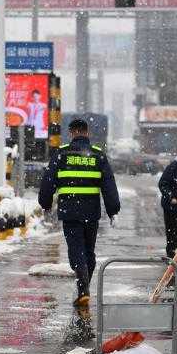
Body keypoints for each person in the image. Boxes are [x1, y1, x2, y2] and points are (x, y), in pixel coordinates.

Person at [38, 118, 120, 308]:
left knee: (76, 250)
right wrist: (113, 209)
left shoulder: (62, 154)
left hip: (70, 212)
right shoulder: (98, 155)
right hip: (91, 213)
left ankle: (83, 289)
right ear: (87, 132)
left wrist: (45, 203)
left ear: (72, 133)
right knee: (89, 251)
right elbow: (108, 184)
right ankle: (84, 287)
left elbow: (48, 180)